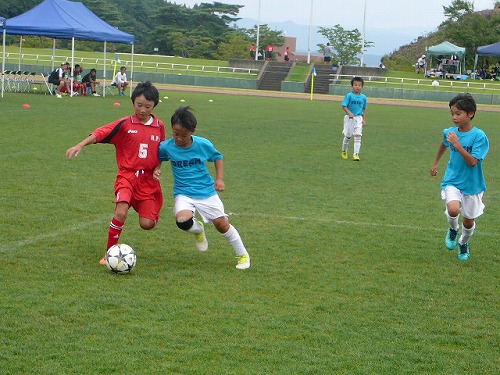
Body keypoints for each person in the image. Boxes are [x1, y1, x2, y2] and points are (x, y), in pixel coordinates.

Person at [66, 81, 166, 265]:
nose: (142, 110)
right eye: (139, 105)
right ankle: (108, 254)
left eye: (147, 106)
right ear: (133, 101)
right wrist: (80, 145)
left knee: (147, 224)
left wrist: (158, 167)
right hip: (127, 177)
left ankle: (150, 215)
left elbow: (160, 150)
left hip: (148, 181)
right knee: (120, 212)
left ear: (154, 106)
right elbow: (101, 132)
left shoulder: (159, 126)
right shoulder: (125, 124)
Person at [155, 106, 251, 270]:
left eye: (183, 135)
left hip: (206, 192)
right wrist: (157, 168)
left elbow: (218, 157)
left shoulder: (202, 144)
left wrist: (219, 179)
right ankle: (197, 229)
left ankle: (242, 255)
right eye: (176, 134)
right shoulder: (167, 147)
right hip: (183, 193)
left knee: (221, 225)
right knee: (182, 220)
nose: (179, 138)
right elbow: (160, 157)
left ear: (192, 131)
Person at [430, 93, 489, 261]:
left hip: (473, 184)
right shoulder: (450, 133)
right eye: (452, 113)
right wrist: (436, 163)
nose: (454, 117)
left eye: (458, 113)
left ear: (470, 114)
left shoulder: (479, 136)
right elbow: (444, 143)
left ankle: (463, 243)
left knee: (469, 222)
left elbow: (472, 162)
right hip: (452, 180)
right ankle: (453, 230)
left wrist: (457, 144)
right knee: (453, 209)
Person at [340, 76, 367, 161]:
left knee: (358, 136)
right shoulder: (349, 96)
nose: (357, 87)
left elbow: (363, 109)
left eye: (359, 85)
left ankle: (356, 154)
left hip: (358, 118)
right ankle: (344, 150)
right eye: (355, 85)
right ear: (352, 86)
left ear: (362, 86)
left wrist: (364, 119)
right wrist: (349, 113)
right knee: (348, 136)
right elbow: (344, 106)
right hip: (349, 118)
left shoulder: (364, 97)